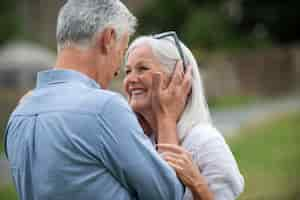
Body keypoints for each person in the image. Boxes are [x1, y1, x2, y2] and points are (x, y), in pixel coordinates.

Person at [3, 1, 187, 200]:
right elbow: (168, 194)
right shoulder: (104, 108)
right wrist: (166, 118)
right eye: (122, 52)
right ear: (108, 39)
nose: (118, 70)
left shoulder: (18, 116)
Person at [124, 33, 245, 200]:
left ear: (177, 77)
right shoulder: (140, 140)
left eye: (142, 68)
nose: (130, 79)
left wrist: (198, 185)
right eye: (127, 71)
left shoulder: (205, 142)